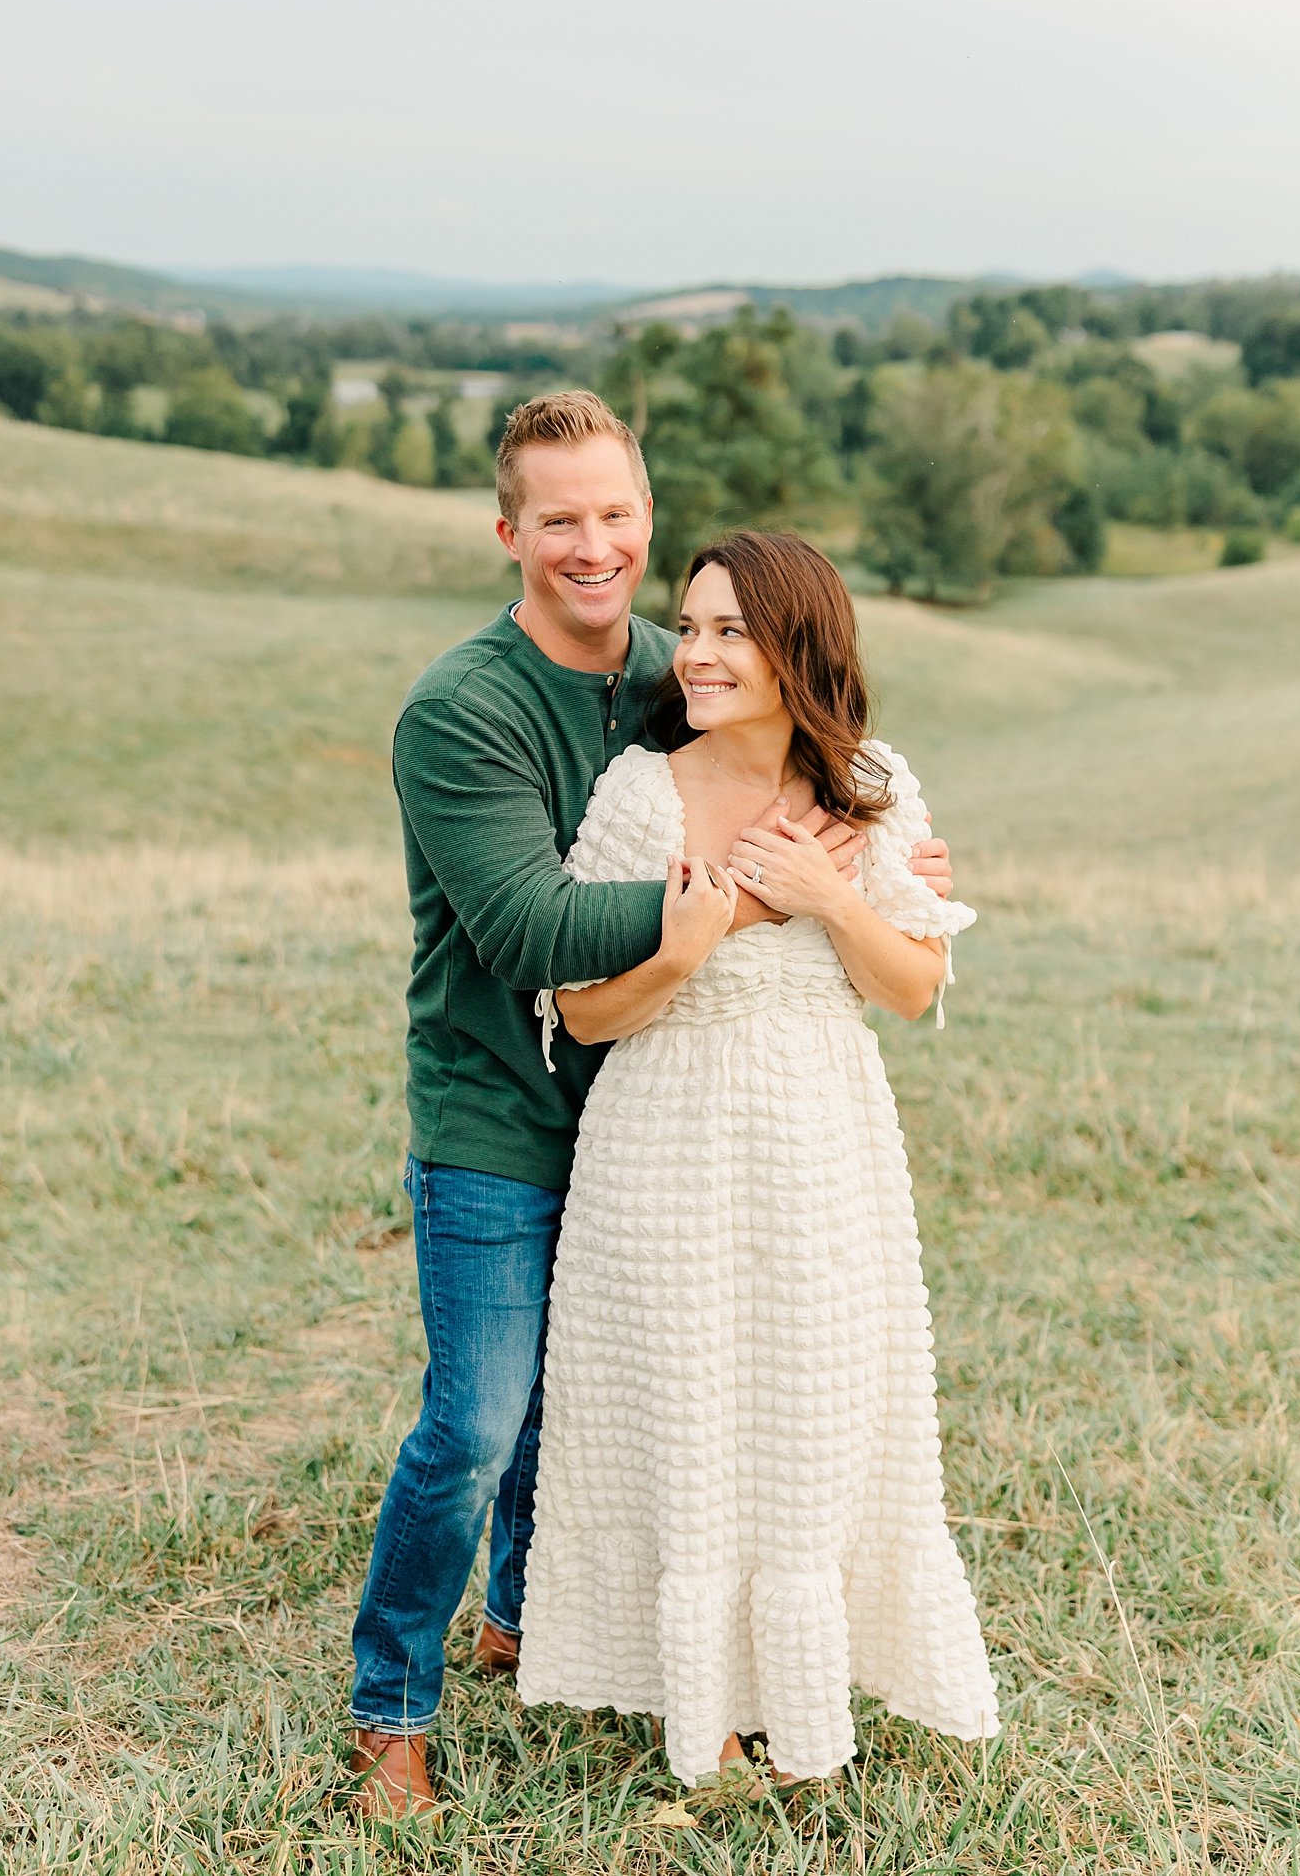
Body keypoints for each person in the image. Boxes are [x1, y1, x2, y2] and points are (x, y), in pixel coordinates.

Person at [348, 395, 957, 1820]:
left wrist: (882, 856)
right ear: (509, 531)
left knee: (607, 1408)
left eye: (616, 513)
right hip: (505, 1114)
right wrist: (781, 886)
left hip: (673, 1124)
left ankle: (528, 1621)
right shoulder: (464, 708)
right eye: (558, 518)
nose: (595, 544)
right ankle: (392, 1705)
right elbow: (527, 927)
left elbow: (816, 770)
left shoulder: (663, 679)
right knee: (487, 1418)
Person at [515, 529, 999, 1787]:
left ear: (800, 645)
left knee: (813, 1408)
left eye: (734, 631)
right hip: (664, 1136)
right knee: (687, 1409)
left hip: (822, 1140)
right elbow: (582, 1011)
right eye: (695, 627)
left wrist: (831, 898)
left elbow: (913, 986)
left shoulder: (872, 786)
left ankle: (802, 1684)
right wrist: (689, 944)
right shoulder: (641, 791)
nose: (702, 655)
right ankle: (705, 1706)